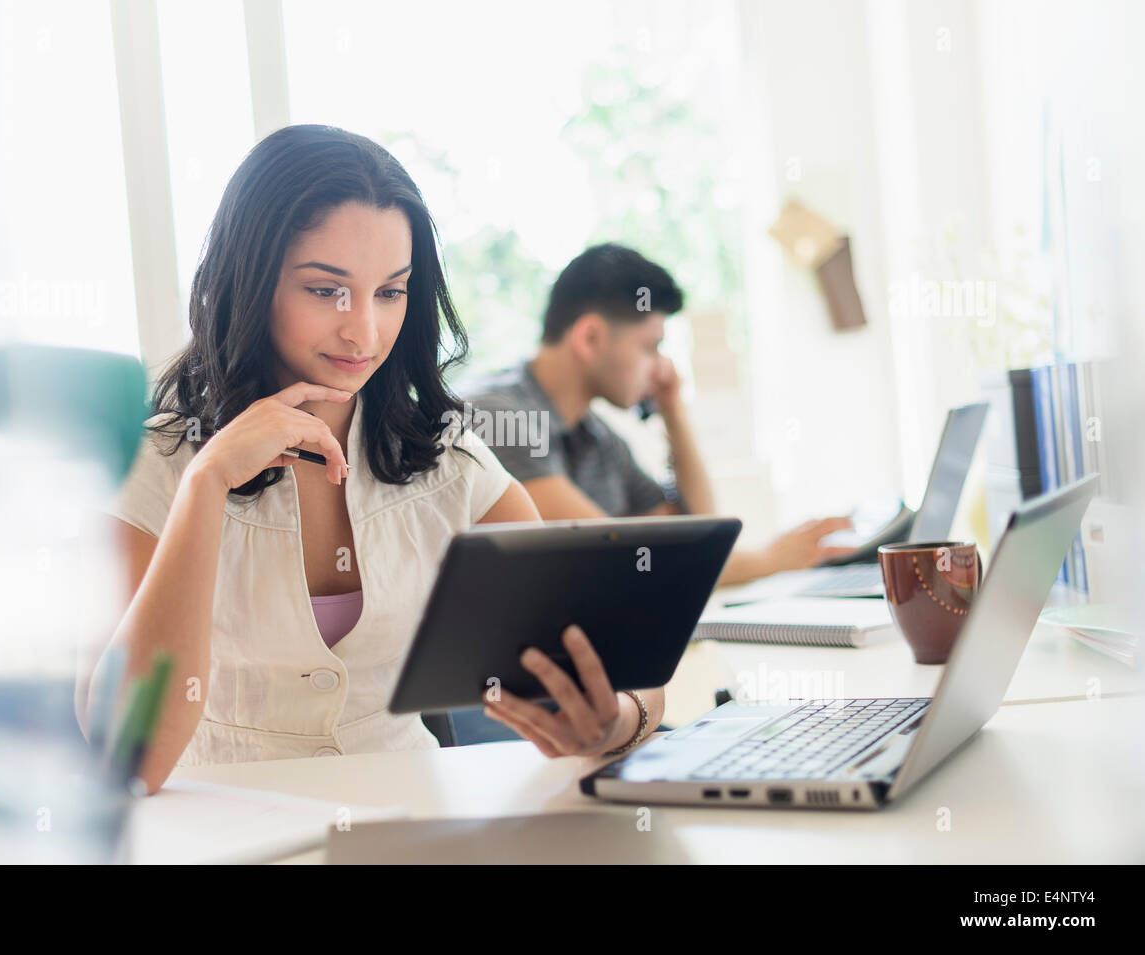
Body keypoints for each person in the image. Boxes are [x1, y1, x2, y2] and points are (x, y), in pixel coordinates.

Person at [81, 127, 664, 794]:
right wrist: (206, 483)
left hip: (410, 835)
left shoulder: (447, 459)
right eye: (326, 290)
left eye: (391, 291)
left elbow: (626, 660)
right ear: (249, 280)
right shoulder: (152, 461)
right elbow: (124, 757)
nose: (364, 330)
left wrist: (618, 720)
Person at [464, 243, 855, 585]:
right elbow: (614, 562)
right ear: (590, 338)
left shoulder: (596, 435)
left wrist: (672, 409)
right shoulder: (498, 417)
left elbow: (699, 533)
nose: (662, 368)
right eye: (650, 347)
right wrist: (769, 560)